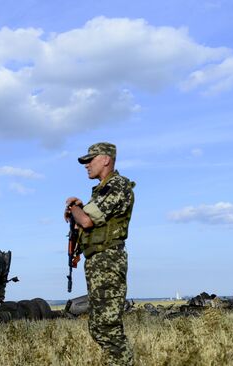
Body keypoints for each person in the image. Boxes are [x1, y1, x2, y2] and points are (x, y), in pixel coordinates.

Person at [64, 142, 135, 366]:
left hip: (108, 261)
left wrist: (73, 206)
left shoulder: (116, 185)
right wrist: (79, 208)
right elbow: (90, 220)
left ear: (106, 159)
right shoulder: (103, 189)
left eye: (90, 160)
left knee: (107, 326)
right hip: (98, 261)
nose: (86, 166)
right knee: (97, 326)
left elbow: (85, 220)